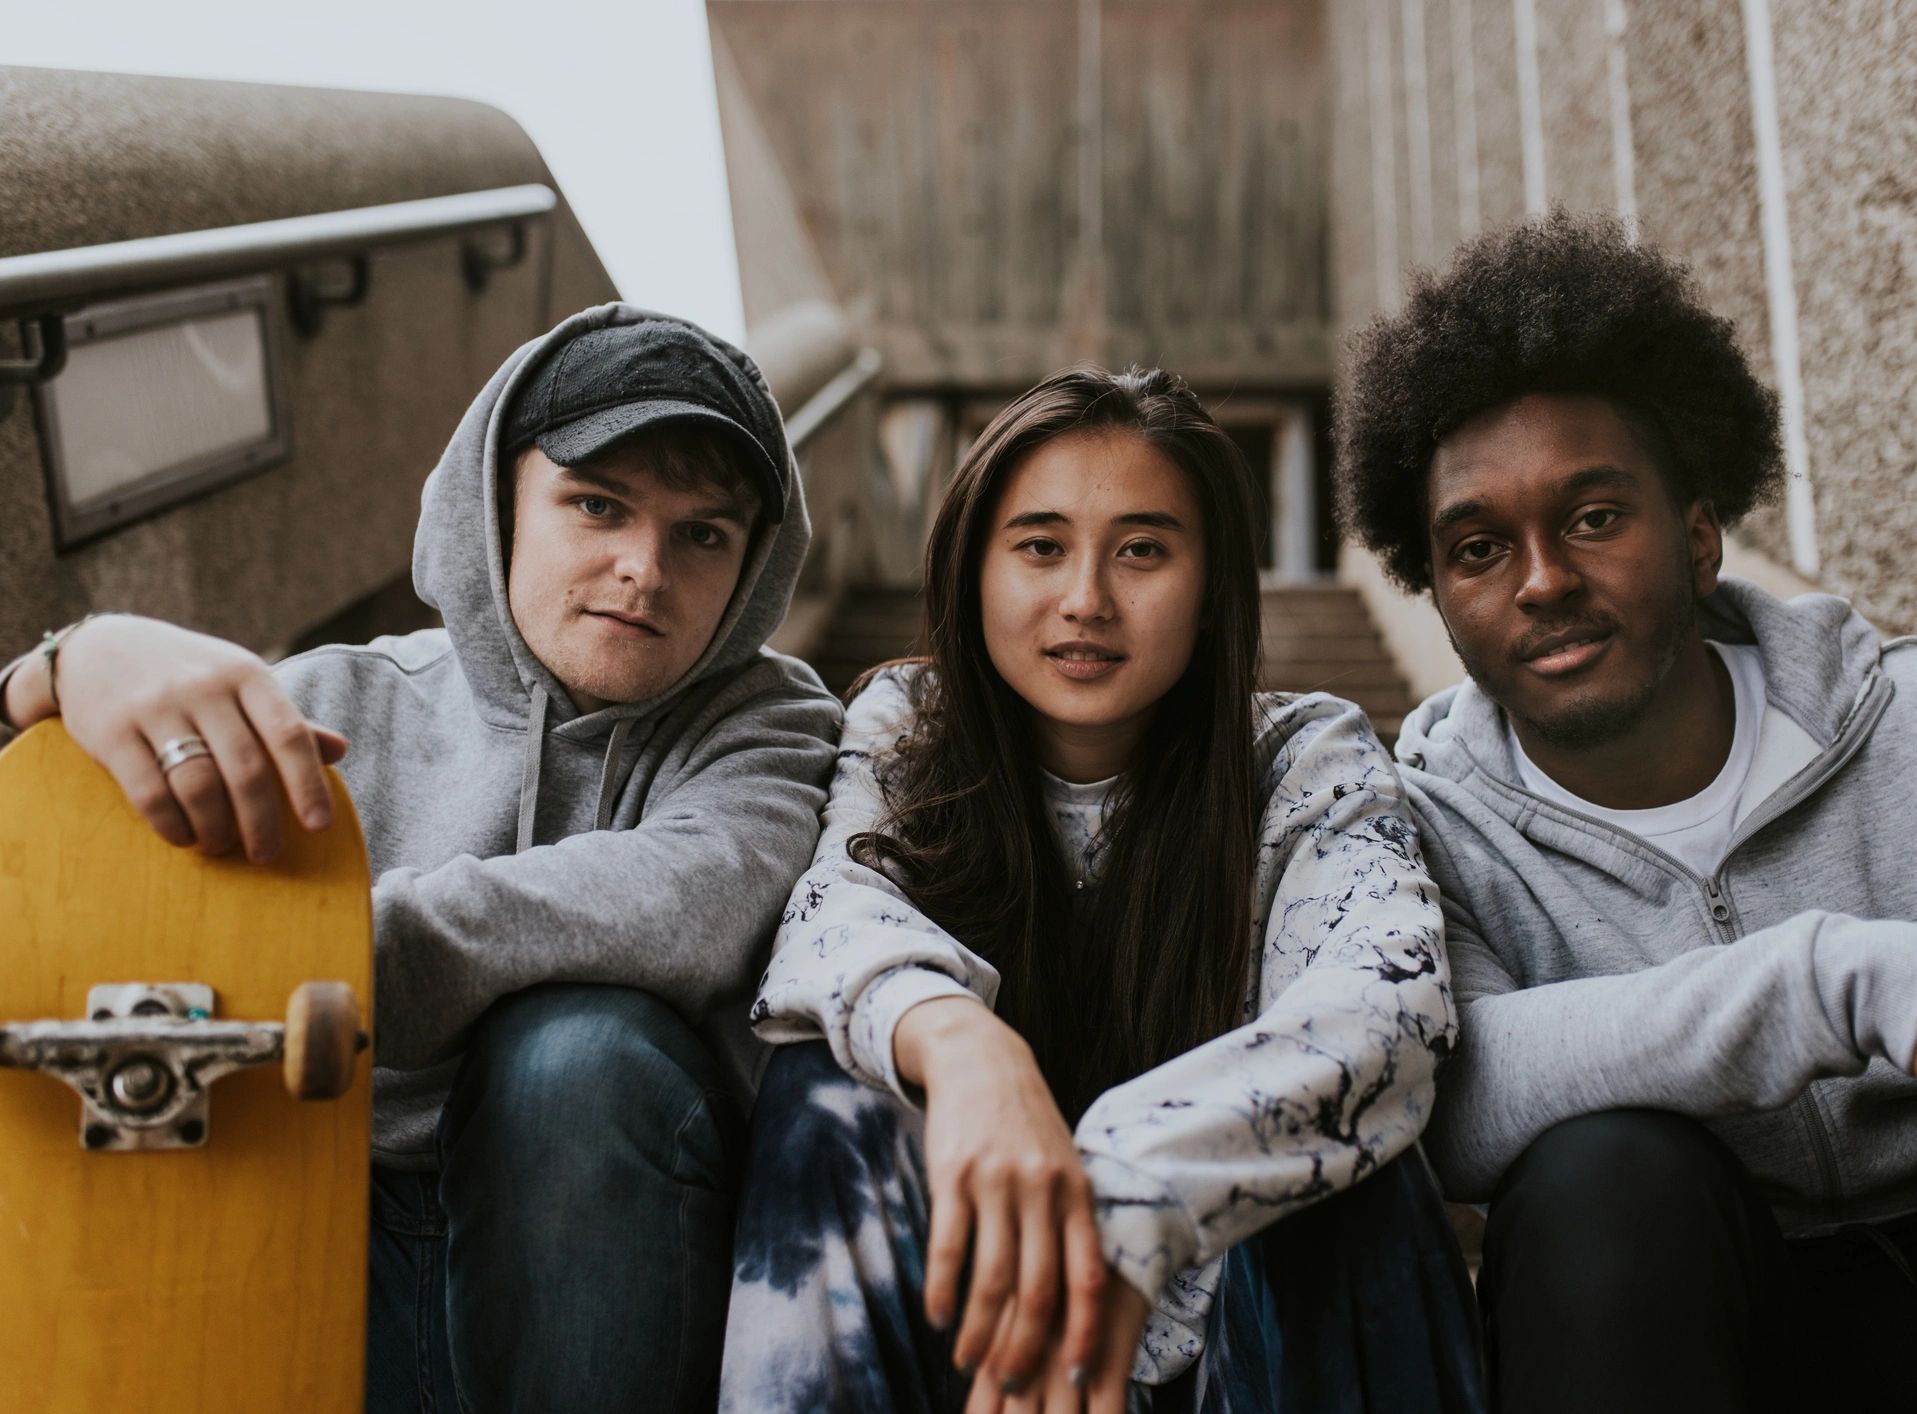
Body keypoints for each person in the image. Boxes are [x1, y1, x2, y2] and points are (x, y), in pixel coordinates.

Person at [1333, 211, 1917, 1413]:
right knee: (1600, 1177)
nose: (1542, 579)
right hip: (1712, 1313)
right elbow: (1459, 1101)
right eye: (1481, 548)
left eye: (1594, 517)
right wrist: (1858, 980)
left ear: (1700, 537)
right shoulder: (1430, 832)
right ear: (1439, 595)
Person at [0, 305, 842, 1413]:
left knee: (572, 1048)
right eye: (598, 505)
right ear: (497, 501)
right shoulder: (334, 698)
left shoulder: (775, 720)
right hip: (319, 1213)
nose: (644, 570)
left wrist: (311, 962)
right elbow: (67, 890)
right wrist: (58, 671)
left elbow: (679, 907)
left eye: (704, 535)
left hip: (608, 1239)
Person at [723, 365, 1485, 1414]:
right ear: (971, 568)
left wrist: (1132, 1182)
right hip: (975, 1328)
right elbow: (832, 919)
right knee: (825, 1096)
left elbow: (1384, 1005)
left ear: (1213, 580)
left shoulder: (1306, 756)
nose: (1086, 598)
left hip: (1232, 1331)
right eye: (1040, 546)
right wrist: (964, 1045)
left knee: (1348, 1164)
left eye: (1142, 551)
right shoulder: (907, 725)